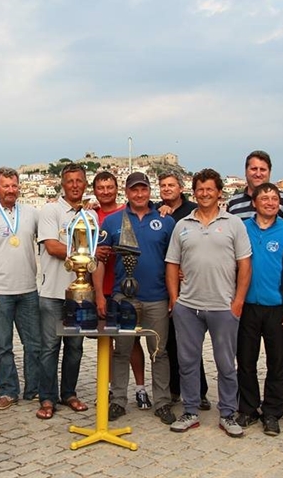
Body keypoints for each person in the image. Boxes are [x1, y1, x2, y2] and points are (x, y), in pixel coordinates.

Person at [165, 169, 250, 437]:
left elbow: (245, 264)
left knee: (226, 364)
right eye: (200, 190)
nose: (204, 194)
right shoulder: (182, 225)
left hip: (223, 306)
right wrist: (175, 300)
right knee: (187, 362)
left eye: (209, 189)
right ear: (194, 192)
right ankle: (190, 411)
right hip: (188, 306)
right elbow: (172, 264)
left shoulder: (234, 224)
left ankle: (228, 413)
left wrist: (238, 301)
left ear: (219, 192)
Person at [94, 171, 177, 425]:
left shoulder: (165, 221)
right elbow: (100, 260)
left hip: (157, 296)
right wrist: (99, 296)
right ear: (127, 192)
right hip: (123, 297)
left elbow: (174, 262)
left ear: (149, 191)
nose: (139, 194)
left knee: (159, 352)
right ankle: (118, 400)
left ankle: (162, 402)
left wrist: (174, 295)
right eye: (134, 190)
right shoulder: (112, 221)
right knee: (122, 351)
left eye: (143, 189)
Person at [236, 183, 283, 436]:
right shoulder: (241, 229)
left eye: (274, 199)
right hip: (247, 307)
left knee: (277, 363)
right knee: (245, 361)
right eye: (264, 198)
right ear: (254, 203)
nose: (270, 202)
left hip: (278, 308)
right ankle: (248, 408)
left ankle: (272, 412)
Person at [0, 167, 41, 410]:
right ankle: (8, 391)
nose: (10, 190)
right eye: (5, 186)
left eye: (14, 185)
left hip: (28, 290)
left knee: (34, 345)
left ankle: (34, 389)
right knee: (3, 346)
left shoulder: (32, 214)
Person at [36, 162, 92, 420]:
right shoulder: (51, 210)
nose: (75, 185)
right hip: (52, 292)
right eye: (70, 181)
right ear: (62, 184)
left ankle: (68, 393)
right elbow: (52, 246)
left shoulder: (89, 215)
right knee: (49, 347)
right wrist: (84, 253)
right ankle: (47, 398)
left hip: (80, 295)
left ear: (85, 183)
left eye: (79, 181)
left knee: (75, 347)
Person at [92, 171, 150, 410]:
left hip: (125, 290)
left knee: (131, 341)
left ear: (118, 190)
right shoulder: (90, 214)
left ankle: (140, 388)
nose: (105, 191)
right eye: (101, 187)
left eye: (110, 187)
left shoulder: (125, 214)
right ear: (94, 190)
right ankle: (110, 389)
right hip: (102, 288)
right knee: (106, 343)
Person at [157, 170, 210, 411]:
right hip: (165, 285)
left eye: (171, 185)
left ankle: (200, 391)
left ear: (181, 188)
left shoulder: (192, 211)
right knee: (169, 342)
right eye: (163, 186)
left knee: (190, 343)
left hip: (190, 285)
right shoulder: (156, 210)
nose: (167, 189)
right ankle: (174, 389)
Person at [227, 150, 283, 229]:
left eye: (262, 169)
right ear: (246, 172)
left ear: (269, 172)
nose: (258, 174)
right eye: (254, 169)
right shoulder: (232, 203)